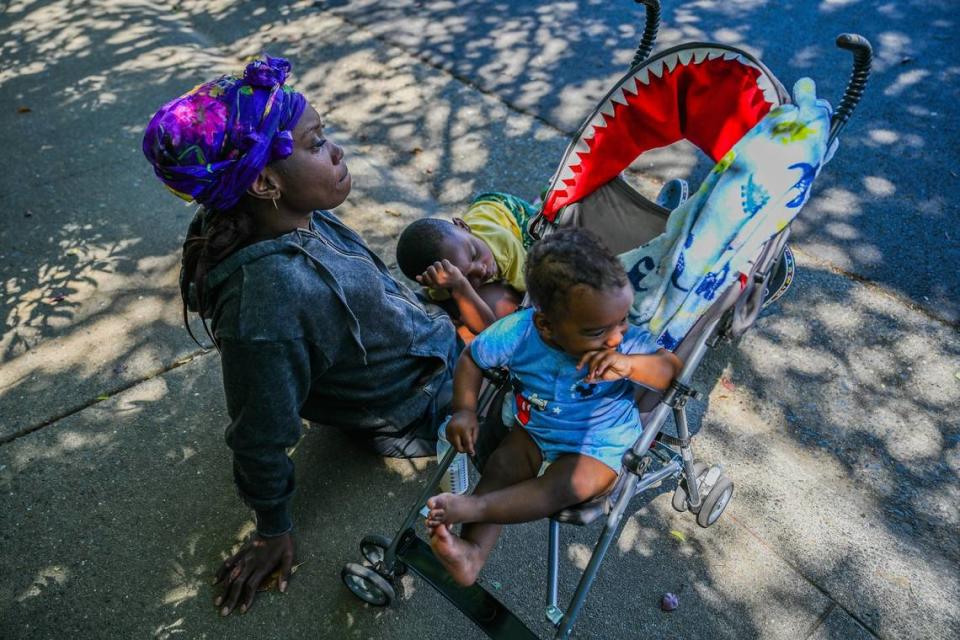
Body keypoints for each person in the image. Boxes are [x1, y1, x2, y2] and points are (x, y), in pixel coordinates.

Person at [142, 56, 462, 615]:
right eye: (316, 143)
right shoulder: (267, 304)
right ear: (264, 180)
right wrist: (273, 529)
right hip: (420, 396)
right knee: (579, 363)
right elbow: (258, 432)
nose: (337, 151)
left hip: (421, 339)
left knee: (487, 237)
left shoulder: (274, 212)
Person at [424, 227, 683, 586]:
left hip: (600, 445)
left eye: (622, 320)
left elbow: (670, 369)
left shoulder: (626, 344)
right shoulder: (519, 332)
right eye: (597, 331)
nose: (615, 336)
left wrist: (631, 365)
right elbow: (472, 358)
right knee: (501, 464)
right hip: (534, 430)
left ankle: (476, 506)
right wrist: (464, 410)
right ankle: (471, 554)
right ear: (546, 326)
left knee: (565, 484)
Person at [395, 192, 536, 335]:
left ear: (463, 226)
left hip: (504, 209)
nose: (481, 269)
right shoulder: (441, 283)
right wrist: (459, 286)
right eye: (466, 276)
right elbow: (487, 330)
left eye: (475, 255)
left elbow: (534, 292)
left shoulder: (502, 243)